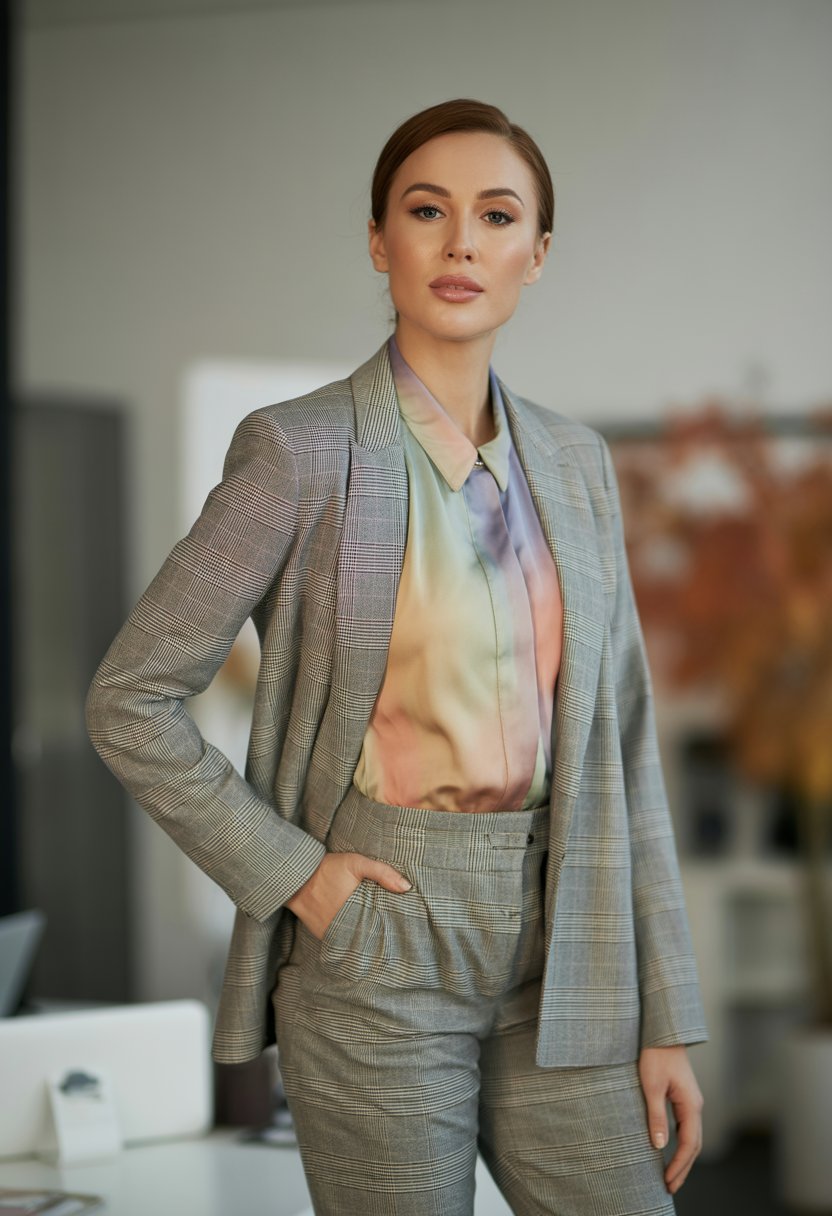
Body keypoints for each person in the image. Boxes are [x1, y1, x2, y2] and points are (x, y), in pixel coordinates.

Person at [86, 98, 708, 1215]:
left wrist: (664, 1012)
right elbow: (131, 698)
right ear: (381, 241)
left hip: (565, 941)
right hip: (379, 940)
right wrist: (298, 878)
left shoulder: (577, 462)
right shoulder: (299, 449)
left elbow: (620, 746)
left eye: (496, 215)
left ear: (537, 255)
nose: (461, 242)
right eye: (427, 211)